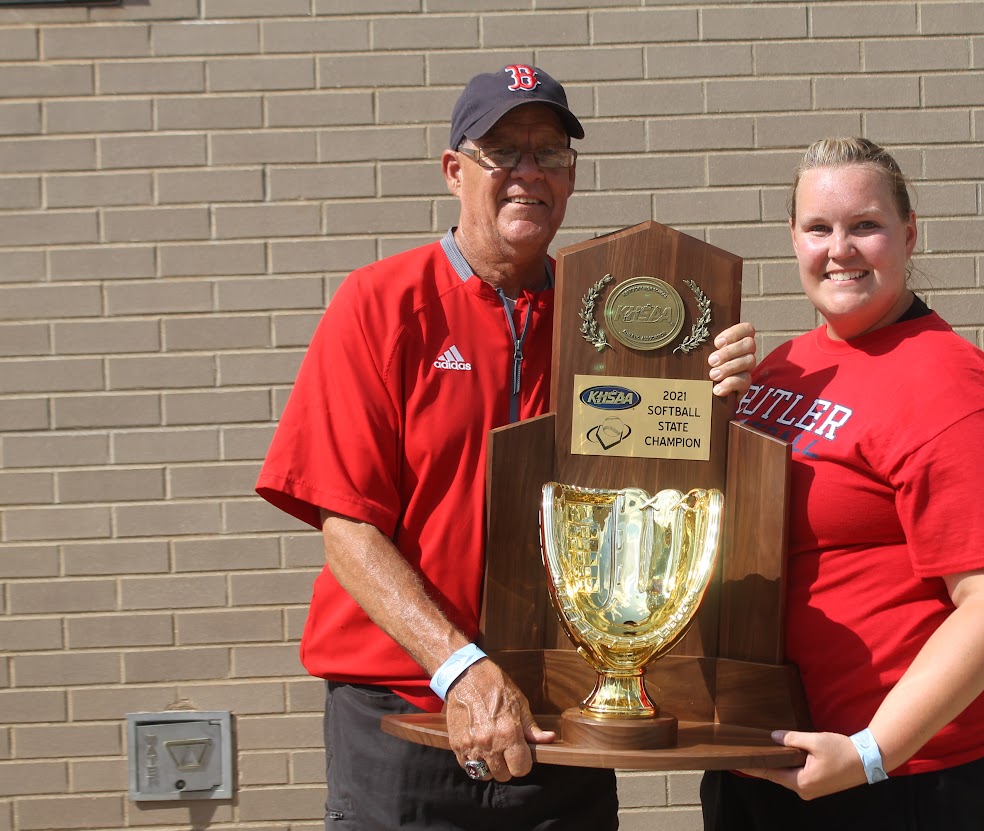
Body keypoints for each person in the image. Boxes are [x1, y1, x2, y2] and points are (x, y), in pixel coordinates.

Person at [255, 64, 756, 831]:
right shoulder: (381, 304)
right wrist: (460, 668)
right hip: (406, 715)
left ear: (572, 177)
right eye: (503, 151)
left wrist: (716, 398)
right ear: (455, 171)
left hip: (556, 708)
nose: (529, 173)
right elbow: (347, 533)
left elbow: (667, 480)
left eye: (549, 153)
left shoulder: (606, 324)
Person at [700, 138, 984, 831]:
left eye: (865, 226)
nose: (840, 249)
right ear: (793, 238)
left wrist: (870, 751)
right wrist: (704, 407)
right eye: (818, 228)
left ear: (909, 233)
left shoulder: (955, 388)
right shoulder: (783, 367)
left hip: (899, 779)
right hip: (758, 758)